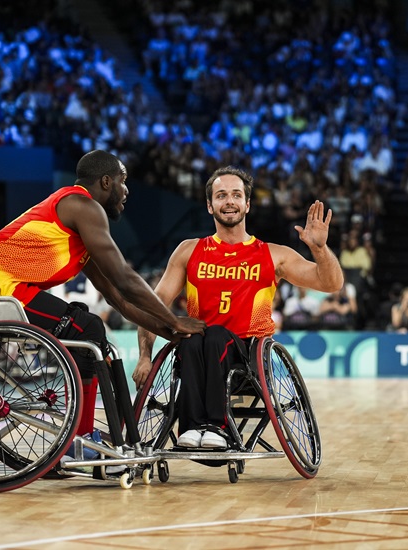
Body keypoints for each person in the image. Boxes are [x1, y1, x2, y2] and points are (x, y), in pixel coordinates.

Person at [0, 150, 206, 439]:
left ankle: (81, 435)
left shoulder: (79, 232)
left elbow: (117, 299)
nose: (127, 191)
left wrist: (168, 329)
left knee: (89, 326)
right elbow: (124, 278)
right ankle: (80, 438)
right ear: (107, 182)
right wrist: (174, 319)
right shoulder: (82, 205)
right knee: (89, 328)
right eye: (123, 181)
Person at [133, 166, 343, 449]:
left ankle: (217, 427)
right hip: (197, 352)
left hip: (247, 356)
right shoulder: (189, 250)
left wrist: (319, 249)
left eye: (236, 195)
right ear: (210, 206)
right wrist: (145, 356)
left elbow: (331, 284)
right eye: (221, 196)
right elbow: (152, 308)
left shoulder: (273, 254)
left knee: (216, 335)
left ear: (247, 204)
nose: (229, 201)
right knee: (193, 337)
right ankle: (193, 428)